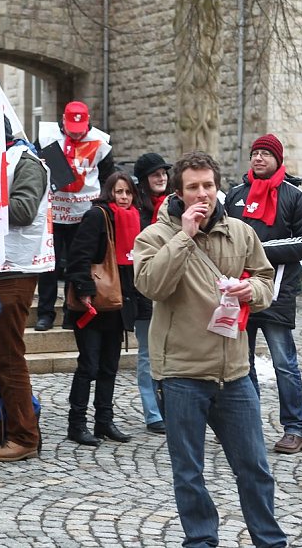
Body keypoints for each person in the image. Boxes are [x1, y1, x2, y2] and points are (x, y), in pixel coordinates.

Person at [134, 151, 286, 547]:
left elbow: (266, 281)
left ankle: (270, 542)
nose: (202, 194)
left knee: (254, 468)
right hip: (181, 373)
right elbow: (151, 286)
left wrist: (250, 290)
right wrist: (184, 237)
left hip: (234, 373)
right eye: (193, 187)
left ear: (218, 187)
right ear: (178, 193)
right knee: (189, 473)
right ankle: (201, 541)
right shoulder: (154, 236)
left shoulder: (241, 232)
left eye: (208, 185)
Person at [0, 112, 52, 462]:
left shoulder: (26, 162)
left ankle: (24, 435)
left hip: (14, 270)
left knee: (7, 356)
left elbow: (24, 209)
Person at [224, 133, 302, 454]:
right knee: (242, 363)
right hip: (240, 292)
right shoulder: (235, 195)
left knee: (284, 364)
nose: (258, 158)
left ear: (278, 160)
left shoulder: (294, 196)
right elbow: (223, 235)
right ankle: (247, 425)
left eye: (265, 154)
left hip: (277, 293)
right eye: (255, 153)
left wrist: (258, 250)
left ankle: (295, 428)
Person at [65, 171, 138, 446]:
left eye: (128, 192)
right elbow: (78, 255)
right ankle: (77, 423)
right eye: (119, 192)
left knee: (109, 367)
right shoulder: (97, 216)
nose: (124, 197)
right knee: (89, 366)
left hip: (117, 306)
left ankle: (104, 421)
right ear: (109, 193)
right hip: (93, 304)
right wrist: (84, 290)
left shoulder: (131, 219)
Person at [34, 101, 114, 331]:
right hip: (54, 211)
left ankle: (72, 310)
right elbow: (35, 169)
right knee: (49, 265)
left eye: (80, 130)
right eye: (72, 130)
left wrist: (100, 208)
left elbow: (107, 178)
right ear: (63, 121)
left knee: (77, 263)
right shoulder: (47, 137)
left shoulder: (101, 143)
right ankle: (45, 313)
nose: (76, 134)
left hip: (84, 215)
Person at [132, 153, 171, 434]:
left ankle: (172, 407)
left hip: (171, 292)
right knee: (147, 354)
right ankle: (153, 412)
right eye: (155, 174)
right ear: (144, 180)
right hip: (144, 294)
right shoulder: (136, 210)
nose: (162, 178)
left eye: (164, 173)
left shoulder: (174, 205)